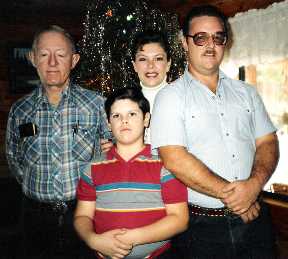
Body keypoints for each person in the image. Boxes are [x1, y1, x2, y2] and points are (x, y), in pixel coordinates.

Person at [151, 5, 279, 259]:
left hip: (256, 219)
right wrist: (237, 198)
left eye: (218, 37)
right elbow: (174, 158)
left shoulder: (247, 93)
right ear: (184, 43)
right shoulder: (170, 97)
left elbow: (268, 142)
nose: (210, 44)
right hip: (201, 229)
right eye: (200, 37)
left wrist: (253, 187)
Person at [5, 25, 111, 258]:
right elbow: (14, 158)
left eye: (61, 55)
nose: (52, 63)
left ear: (73, 60)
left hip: (86, 214)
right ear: (33, 58)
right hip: (34, 217)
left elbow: (111, 156)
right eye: (44, 54)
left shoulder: (97, 105)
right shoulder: (19, 110)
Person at [74, 87, 188, 259]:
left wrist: (130, 238)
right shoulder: (92, 168)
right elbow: (82, 216)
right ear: (108, 122)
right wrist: (93, 240)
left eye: (132, 114)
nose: (124, 121)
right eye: (116, 116)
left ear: (146, 119)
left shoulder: (165, 164)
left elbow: (179, 219)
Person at [131, 30, 171, 143]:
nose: (150, 65)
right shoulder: (124, 102)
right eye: (143, 59)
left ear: (168, 64)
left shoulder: (183, 99)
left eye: (158, 58)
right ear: (134, 65)